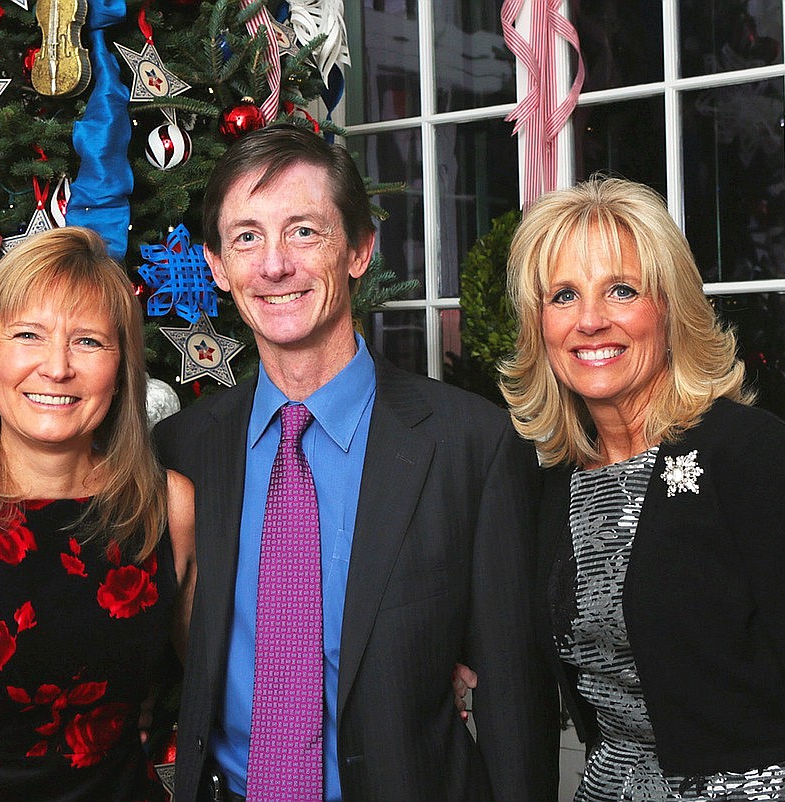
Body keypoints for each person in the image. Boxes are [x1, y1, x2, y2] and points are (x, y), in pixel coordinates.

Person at [153, 123, 557, 802]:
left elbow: (516, 707)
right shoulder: (183, 450)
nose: (274, 263)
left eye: (304, 231)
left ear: (360, 250)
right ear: (218, 266)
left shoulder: (470, 447)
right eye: (246, 236)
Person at [498, 176, 785, 799]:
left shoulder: (752, 454)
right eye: (564, 296)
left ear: (670, 308)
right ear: (539, 326)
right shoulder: (555, 479)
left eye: (621, 291)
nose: (590, 321)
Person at [0, 226, 196, 802]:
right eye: (28, 335)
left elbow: (227, 701)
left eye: (87, 341)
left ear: (121, 372)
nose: (57, 367)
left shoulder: (169, 508)